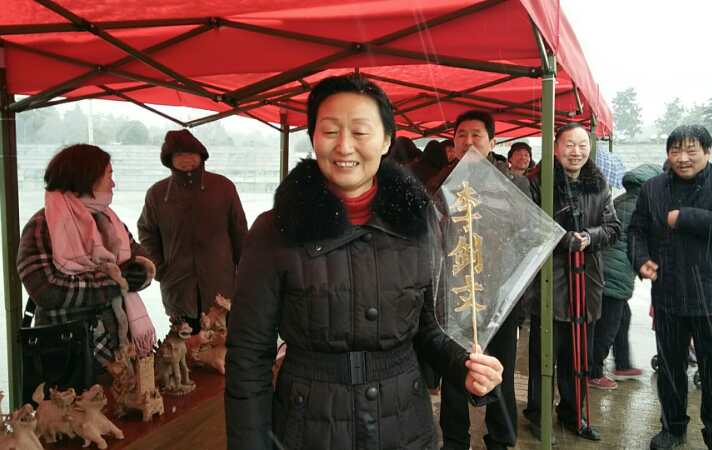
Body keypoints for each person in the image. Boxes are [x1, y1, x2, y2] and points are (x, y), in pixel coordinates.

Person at [224, 74, 504, 450]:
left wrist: (464, 367)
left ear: (386, 140)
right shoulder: (274, 231)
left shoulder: (420, 221)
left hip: (405, 426)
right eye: (330, 131)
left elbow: (429, 329)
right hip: (307, 427)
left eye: (360, 132)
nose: (344, 146)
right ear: (313, 137)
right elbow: (249, 355)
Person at [629, 125, 712, 450]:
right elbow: (637, 230)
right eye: (675, 151)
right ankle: (672, 428)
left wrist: (685, 217)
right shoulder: (653, 188)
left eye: (691, 150)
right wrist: (640, 259)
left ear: (707, 151)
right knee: (670, 369)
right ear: (667, 154)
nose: (683, 158)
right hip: (669, 296)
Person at [522, 122, 619, 442]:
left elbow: (613, 228)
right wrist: (564, 239)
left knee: (578, 355)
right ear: (555, 147)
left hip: (587, 282)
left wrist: (589, 237)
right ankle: (538, 413)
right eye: (569, 144)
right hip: (550, 282)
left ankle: (573, 412)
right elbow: (530, 226)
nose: (576, 152)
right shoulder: (538, 181)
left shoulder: (598, 184)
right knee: (544, 355)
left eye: (582, 145)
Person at [17, 144, 156, 367]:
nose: (113, 183)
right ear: (87, 178)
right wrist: (117, 282)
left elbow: (141, 260)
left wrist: (140, 272)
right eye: (108, 175)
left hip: (120, 348)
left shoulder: (109, 221)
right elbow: (47, 291)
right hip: (69, 352)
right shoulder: (43, 225)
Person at [438, 109, 527, 450]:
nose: (469, 141)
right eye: (461, 135)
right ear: (453, 142)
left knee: (498, 369)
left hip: (499, 295)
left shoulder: (512, 184)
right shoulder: (441, 184)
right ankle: (455, 440)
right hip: (455, 293)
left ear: (492, 141)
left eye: (477, 134)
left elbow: (525, 237)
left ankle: (500, 438)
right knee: (455, 369)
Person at [137, 129, 247, 333]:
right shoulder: (157, 194)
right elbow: (147, 233)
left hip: (220, 286)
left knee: (223, 344)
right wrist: (160, 268)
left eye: (191, 153)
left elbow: (239, 231)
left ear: (201, 155)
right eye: (179, 154)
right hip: (178, 287)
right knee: (185, 346)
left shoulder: (223, 187)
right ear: (169, 159)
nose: (186, 159)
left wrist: (244, 270)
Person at [588, 164, 662, 390]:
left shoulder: (624, 199)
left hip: (607, 268)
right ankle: (593, 373)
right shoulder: (641, 205)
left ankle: (622, 365)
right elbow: (640, 240)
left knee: (621, 318)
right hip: (615, 273)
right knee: (607, 327)